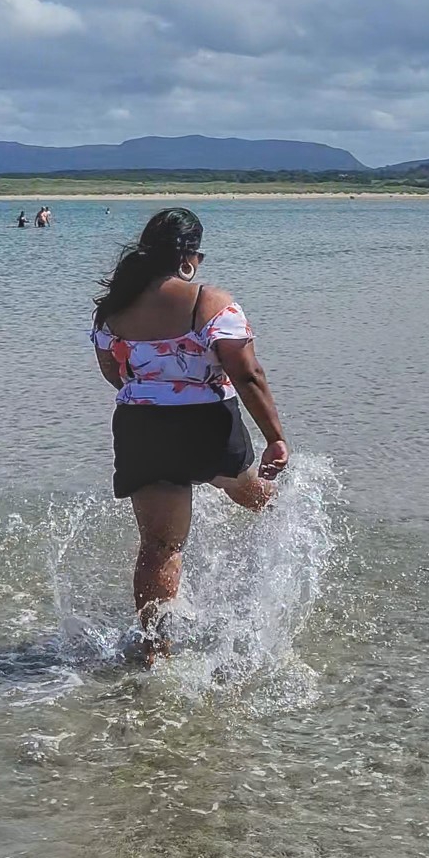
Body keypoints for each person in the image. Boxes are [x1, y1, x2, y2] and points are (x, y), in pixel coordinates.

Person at [91, 207, 288, 661]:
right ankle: (284, 533)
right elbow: (249, 375)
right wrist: (275, 437)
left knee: (160, 546)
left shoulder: (114, 307)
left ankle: (155, 654)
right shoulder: (211, 303)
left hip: (141, 430)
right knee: (253, 492)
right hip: (207, 425)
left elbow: (112, 372)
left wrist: (152, 393)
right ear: (189, 257)